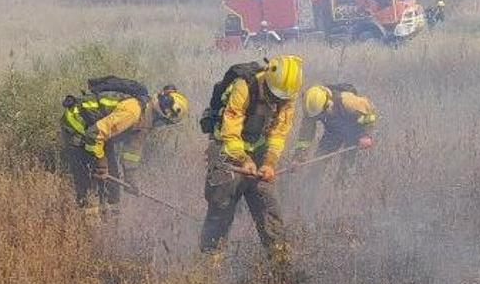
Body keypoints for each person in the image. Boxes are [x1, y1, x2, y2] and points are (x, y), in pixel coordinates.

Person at [197, 56, 302, 266]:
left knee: (266, 203)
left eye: (283, 98)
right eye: (274, 96)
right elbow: (230, 129)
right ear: (268, 80)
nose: (278, 101)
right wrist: (243, 159)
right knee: (221, 203)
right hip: (227, 148)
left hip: (258, 149)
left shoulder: (288, 95)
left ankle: (281, 261)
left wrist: (269, 163)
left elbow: (278, 134)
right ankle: (208, 265)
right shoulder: (244, 86)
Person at [59, 78, 187, 214]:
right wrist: (101, 163)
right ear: (162, 116)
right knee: (91, 183)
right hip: (79, 127)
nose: (161, 126)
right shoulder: (133, 112)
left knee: (113, 188)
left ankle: (111, 220)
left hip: (100, 136)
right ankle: (86, 220)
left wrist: (130, 179)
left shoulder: (146, 119)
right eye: (164, 123)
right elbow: (93, 134)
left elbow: (132, 152)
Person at [290, 83, 377, 190]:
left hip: (354, 133)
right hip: (333, 133)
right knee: (317, 164)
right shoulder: (311, 109)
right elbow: (305, 136)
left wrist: (366, 135)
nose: (319, 117)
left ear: (328, 104)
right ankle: (309, 192)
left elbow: (370, 115)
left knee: (347, 168)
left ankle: (341, 194)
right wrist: (298, 158)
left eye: (321, 114)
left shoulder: (348, 101)